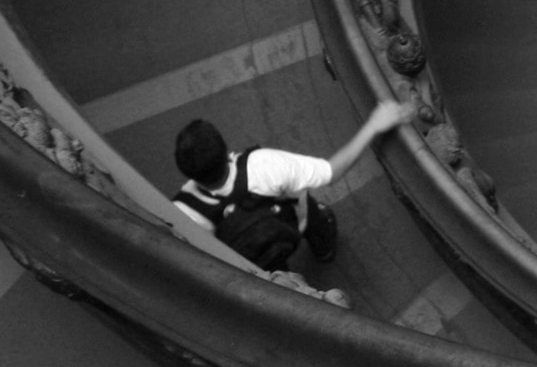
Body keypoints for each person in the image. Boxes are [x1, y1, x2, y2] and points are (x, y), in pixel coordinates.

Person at [173, 97, 411, 274]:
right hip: (294, 222)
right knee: (315, 217)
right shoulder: (263, 166)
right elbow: (330, 172)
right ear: (225, 151)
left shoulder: (184, 210)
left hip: (249, 262)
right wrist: (374, 126)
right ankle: (324, 249)